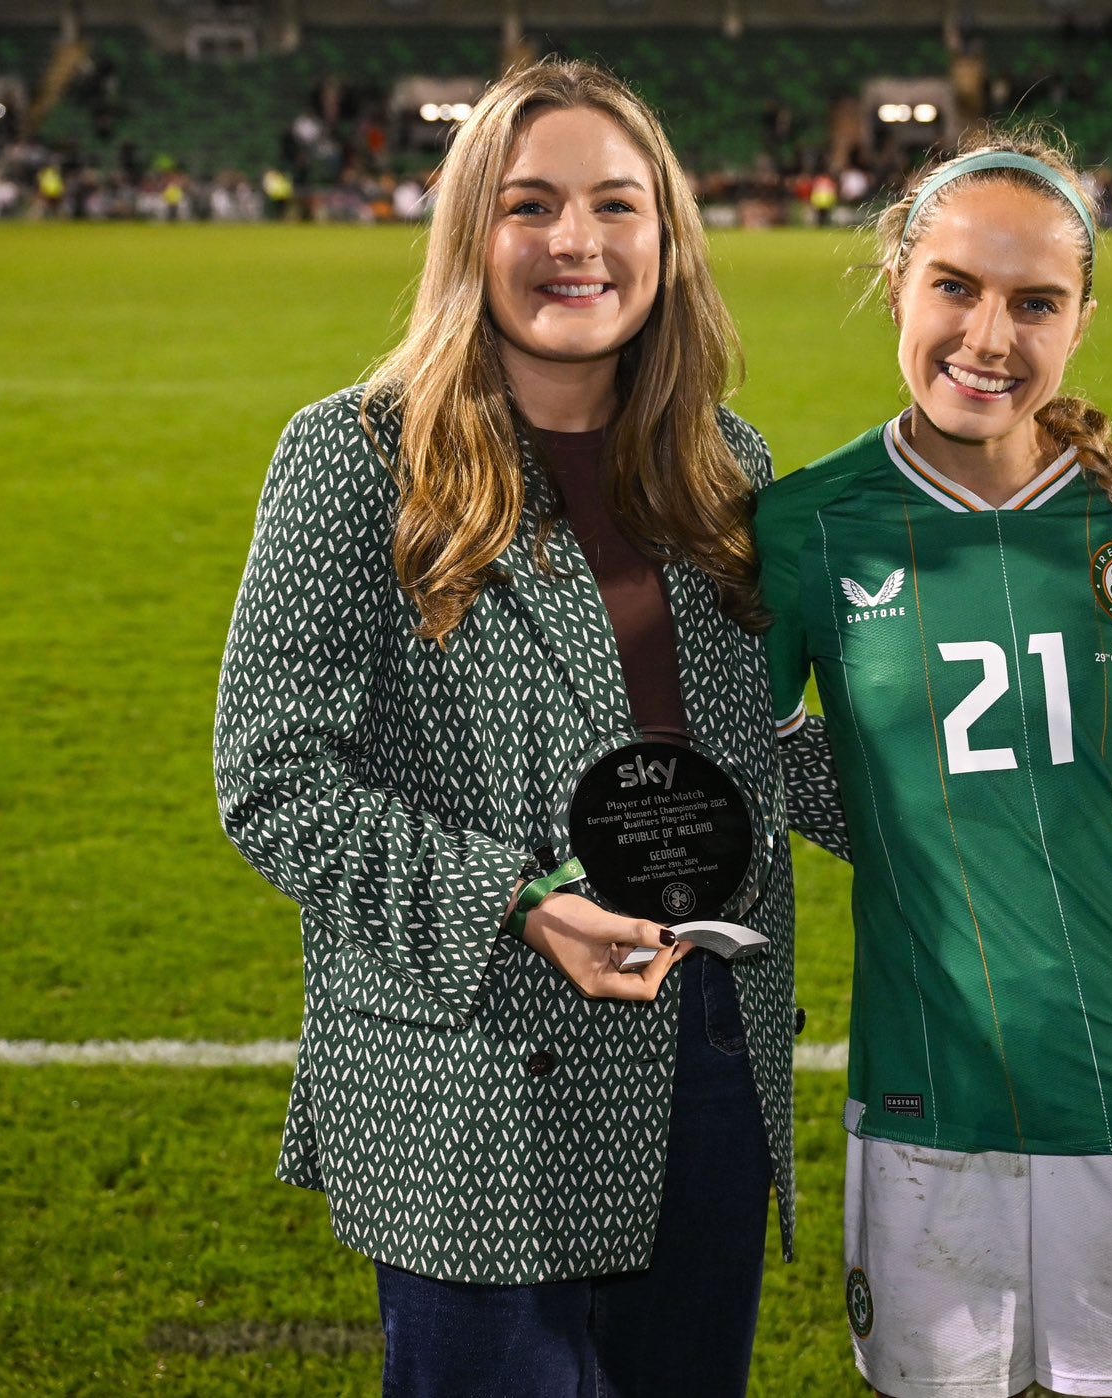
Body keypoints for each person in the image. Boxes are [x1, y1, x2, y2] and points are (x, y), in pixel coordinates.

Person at [214, 60, 794, 1397]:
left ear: (668, 236)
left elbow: (745, 752)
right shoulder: (356, 458)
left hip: (701, 1030)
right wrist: (520, 902)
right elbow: (273, 776)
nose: (576, 241)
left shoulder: (724, 465)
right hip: (480, 1054)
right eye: (530, 204)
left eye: (615, 204)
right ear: (469, 231)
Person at [759, 130, 1112, 1398]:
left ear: (1081, 320)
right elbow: (716, 768)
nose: (988, 336)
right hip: (930, 1107)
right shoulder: (807, 526)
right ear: (896, 283)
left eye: (1034, 302)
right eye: (954, 288)